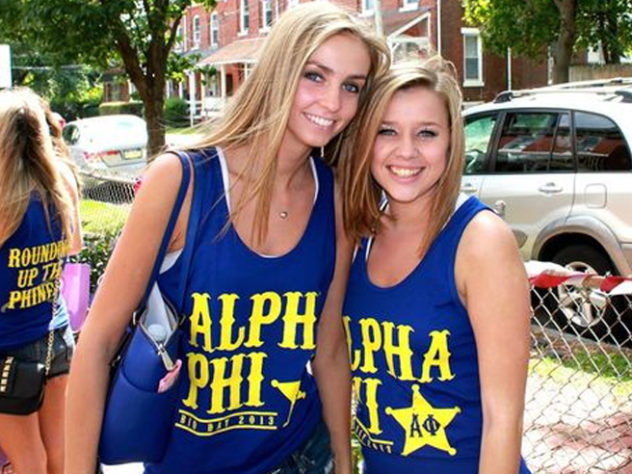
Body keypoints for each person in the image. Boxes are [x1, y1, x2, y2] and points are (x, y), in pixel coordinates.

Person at [65, 3, 389, 474]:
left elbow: (329, 346)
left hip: (300, 457)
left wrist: (342, 461)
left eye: (351, 86)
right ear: (278, 71)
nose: (333, 103)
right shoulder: (182, 181)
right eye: (315, 76)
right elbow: (98, 341)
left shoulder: (334, 197)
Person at [339, 59, 532, 473]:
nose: (406, 151)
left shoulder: (480, 241)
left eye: (426, 133)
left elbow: (503, 418)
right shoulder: (360, 234)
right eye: (387, 131)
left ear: (450, 141)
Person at [0, 87, 82, 474]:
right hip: (57, 338)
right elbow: (74, 245)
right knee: (59, 457)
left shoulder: (5, 198)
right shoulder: (60, 183)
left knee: (28, 462)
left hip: (9, 349)